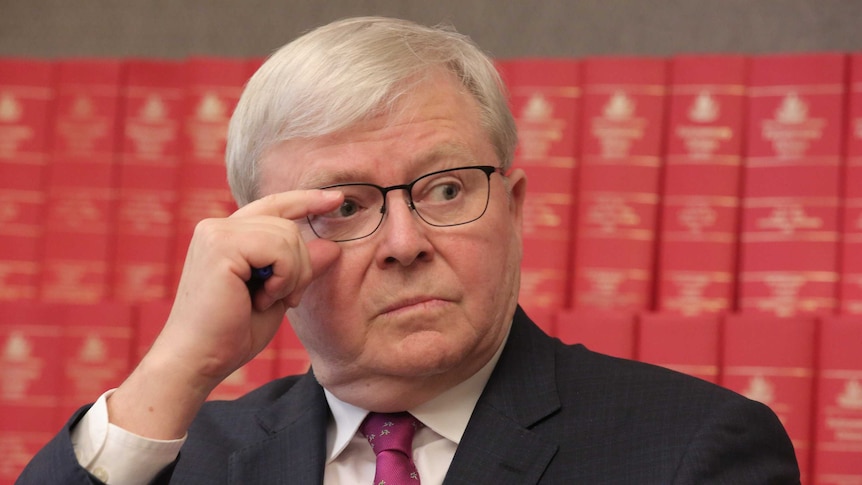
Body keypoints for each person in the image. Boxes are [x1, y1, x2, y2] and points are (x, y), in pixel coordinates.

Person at [18, 16, 799, 484]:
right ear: (263, 249)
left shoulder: (690, 450)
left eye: (447, 189)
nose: (404, 243)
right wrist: (175, 368)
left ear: (515, 208)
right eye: (347, 205)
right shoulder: (188, 457)